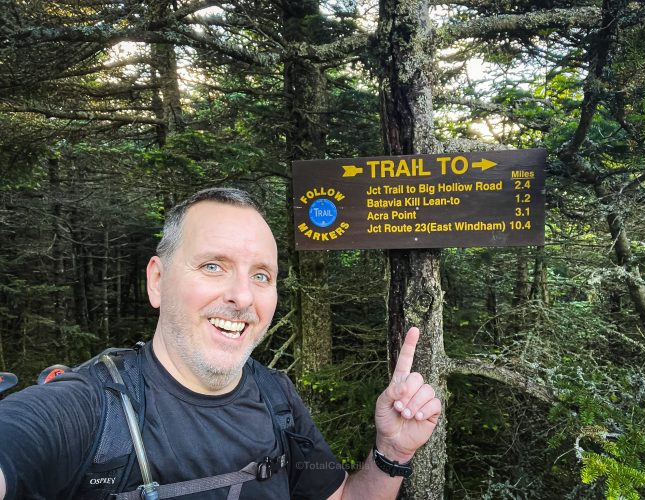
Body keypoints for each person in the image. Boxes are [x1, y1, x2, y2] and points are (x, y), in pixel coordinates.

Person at [0, 187, 441, 499]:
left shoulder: (277, 397)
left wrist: (392, 451)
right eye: (213, 266)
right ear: (157, 280)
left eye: (261, 275)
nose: (243, 297)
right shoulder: (88, 407)